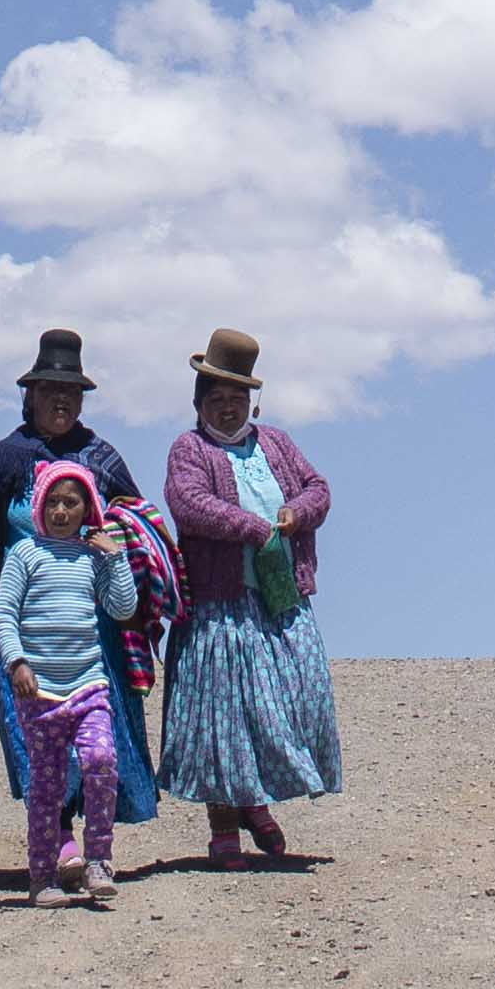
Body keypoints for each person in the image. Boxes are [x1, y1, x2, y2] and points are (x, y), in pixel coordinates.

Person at [160, 326, 340, 865]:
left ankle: (254, 800)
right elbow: (188, 503)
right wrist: (252, 525)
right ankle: (226, 825)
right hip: (220, 606)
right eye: (216, 400)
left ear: (251, 404)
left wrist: (295, 514)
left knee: (292, 702)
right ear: (199, 405)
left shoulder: (277, 444)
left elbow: (318, 488)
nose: (228, 409)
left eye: (237, 400)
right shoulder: (189, 450)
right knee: (226, 717)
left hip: (280, 600)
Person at [0, 456, 138, 905]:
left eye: (71, 502)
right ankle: (42, 878)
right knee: (48, 785)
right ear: (39, 505)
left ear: (86, 507)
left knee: (100, 759)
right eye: (52, 501)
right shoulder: (24, 555)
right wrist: (17, 663)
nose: (60, 511)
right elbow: (3, 615)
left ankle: (98, 860)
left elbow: (122, 608)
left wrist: (117, 559)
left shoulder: (94, 557)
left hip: (88, 685)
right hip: (41, 695)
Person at [0, 328, 141, 676]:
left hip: (93, 629)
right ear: (31, 396)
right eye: (51, 389)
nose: (61, 399)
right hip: (21, 625)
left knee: (99, 726)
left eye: (71, 391)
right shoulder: (3, 460)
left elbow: (136, 524)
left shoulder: (101, 458)